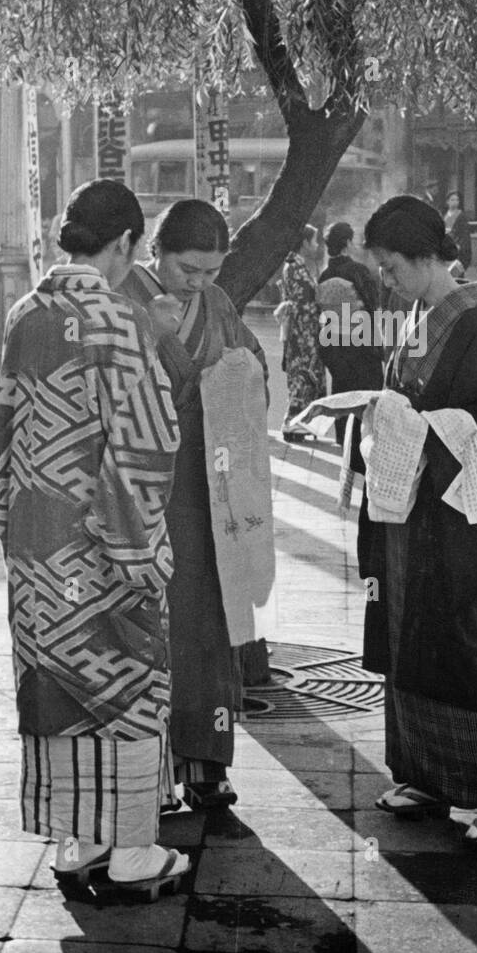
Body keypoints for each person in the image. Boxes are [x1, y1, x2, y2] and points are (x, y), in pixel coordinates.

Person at [0, 180, 189, 899]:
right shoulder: (118, 320)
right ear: (127, 244)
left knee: (59, 683)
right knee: (127, 683)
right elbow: (145, 445)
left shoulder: (24, 312)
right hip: (105, 544)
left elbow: (5, 424)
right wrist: (140, 549)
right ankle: (133, 850)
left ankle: (77, 844)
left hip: (38, 543)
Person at [356, 195, 477, 852]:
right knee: (408, 639)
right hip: (410, 513)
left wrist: (409, 424)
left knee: (457, 643)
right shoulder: (425, 316)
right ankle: (423, 773)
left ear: (427, 256)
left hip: (456, 519)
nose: (387, 280)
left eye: (393, 266)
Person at [121, 199, 274, 812]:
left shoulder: (217, 305)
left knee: (207, 624)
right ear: (155, 252)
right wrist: (149, 333)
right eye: (188, 267)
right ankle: (151, 770)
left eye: (210, 271)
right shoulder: (126, 294)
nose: (199, 282)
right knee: (150, 627)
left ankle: (207, 766)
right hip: (146, 487)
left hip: (209, 488)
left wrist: (236, 377)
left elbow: (253, 363)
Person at [317, 222, 383, 444]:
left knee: (341, 388)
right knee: (364, 391)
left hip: (334, 343)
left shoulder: (324, 275)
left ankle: (342, 437)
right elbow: (373, 305)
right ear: (346, 243)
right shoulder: (358, 271)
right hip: (360, 342)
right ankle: (362, 439)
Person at [279, 224, 327, 441]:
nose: (316, 245)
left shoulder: (297, 265)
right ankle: (293, 423)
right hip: (302, 332)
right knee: (302, 375)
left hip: (306, 331)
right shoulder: (295, 268)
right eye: (314, 240)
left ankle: (300, 423)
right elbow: (302, 302)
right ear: (305, 242)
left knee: (305, 375)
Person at [443, 191, 472, 272]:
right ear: (447, 202)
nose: (455, 202)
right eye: (452, 200)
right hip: (446, 249)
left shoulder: (461, 216)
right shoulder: (444, 216)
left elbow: (465, 235)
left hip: (457, 249)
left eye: (457, 200)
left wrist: (459, 246)